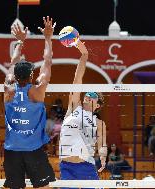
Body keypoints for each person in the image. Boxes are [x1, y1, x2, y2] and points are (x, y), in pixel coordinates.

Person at [3, 16, 56, 189]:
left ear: (14, 76)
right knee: (43, 187)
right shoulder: (38, 91)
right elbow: (47, 62)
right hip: (33, 149)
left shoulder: (8, 88)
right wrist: (48, 38)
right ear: (32, 75)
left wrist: (20, 41)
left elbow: (13, 62)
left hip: (12, 150)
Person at [59, 40, 107, 186]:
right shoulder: (74, 107)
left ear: (98, 105)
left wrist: (103, 156)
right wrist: (84, 55)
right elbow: (77, 80)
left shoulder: (99, 123)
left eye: (92, 95)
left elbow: (102, 144)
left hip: (86, 166)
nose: (87, 95)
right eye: (87, 93)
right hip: (66, 166)